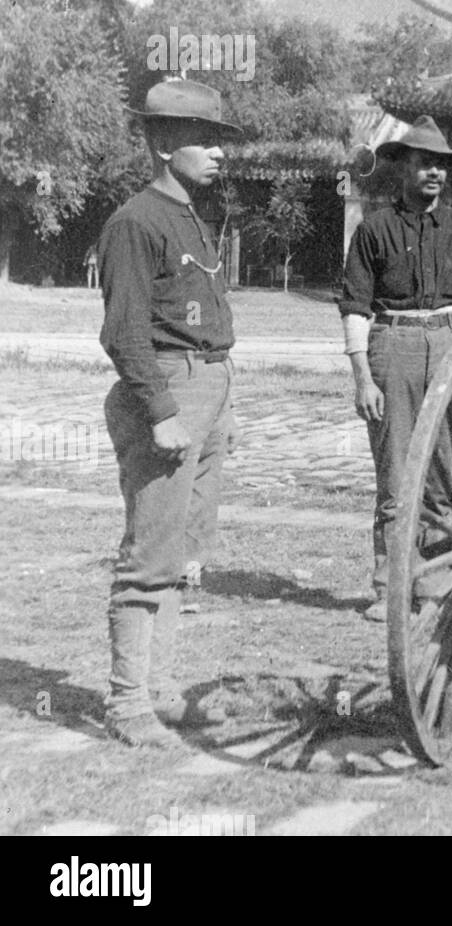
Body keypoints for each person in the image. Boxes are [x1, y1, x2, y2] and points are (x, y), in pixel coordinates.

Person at [98, 77, 240, 747]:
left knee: (184, 552)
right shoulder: (136, 221)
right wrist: (160, 411)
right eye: (202, 138)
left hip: (208, 389)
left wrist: (219, 406)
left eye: (218, 139)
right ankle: (127, 705)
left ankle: (159, 690)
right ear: (160, 142)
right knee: (149, 553)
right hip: (167, 393)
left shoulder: (190, 214)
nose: (217, 152)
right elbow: (123, 332)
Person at [339, 116, 452, 623]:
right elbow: (356, 308)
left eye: (442, 166)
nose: (434, 173)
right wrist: (363, 377)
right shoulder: (374, 230)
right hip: (393, 348)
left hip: (451, 344)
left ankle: (436, 579)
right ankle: (389, 586)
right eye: (424, 163)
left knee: (446, 472)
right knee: (395, 472)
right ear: (403, 167)